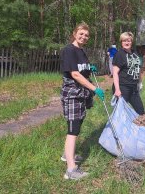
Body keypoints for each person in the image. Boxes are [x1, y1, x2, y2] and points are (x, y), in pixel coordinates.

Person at [60, 22, 105, 180]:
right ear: (74, 33)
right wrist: (94, 88)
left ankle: (67, 155)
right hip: (72, 93)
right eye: (81, 34)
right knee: (73, 129)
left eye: (86, 35)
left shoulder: (81, 51)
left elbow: (82, 70)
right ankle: (71, 170)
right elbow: (75, 74)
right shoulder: (69, 50)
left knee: (77, 125)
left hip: (81, 94)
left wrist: (89, 68)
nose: (84, 37)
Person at [113, 31, 145, 115]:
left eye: (129, 40)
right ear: (121, 42)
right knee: (120, 114)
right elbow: (115, 73)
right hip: (123, 87)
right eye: (124, 41)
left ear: (131, 41)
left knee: (141, 113)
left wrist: (140, 82)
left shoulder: (135, 53)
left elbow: (138, 68)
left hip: (134, 88)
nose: (127, 42)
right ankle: (116, 128)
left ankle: (137, 128)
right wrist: (117, 89)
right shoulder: (119, 54)